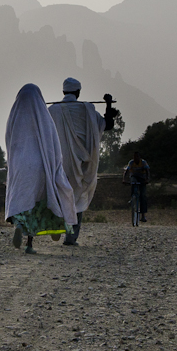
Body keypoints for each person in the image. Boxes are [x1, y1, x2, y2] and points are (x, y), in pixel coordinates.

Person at [4, 83, 78, 254]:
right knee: (41, 202)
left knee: (23, 200)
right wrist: (54, 166)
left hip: (21, 165)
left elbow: (9, 143)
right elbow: (54, 144)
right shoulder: (43, 116)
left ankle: (20, 226)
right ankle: (32, 242)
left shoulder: (14, 116)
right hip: (40, 165)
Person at [48, 77, 117, 245]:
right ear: (78, 92)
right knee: (77, 198)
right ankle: (70, 237)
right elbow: (107, 125)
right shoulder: (88, 109)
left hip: (59, 163)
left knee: (58, 195)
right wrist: (108, 105)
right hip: (82, 165)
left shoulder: (53, 110)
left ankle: (58, 226)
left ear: (63, 92)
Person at [123, 150, 150, 224]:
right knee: (133, 183)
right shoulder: (131, 162)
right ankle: (132, 198)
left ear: (139, 157)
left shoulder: (143, 162)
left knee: (143, 196)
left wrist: (147, 179)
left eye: (137, 157)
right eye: (134, 157)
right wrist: (124, 179)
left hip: (142, 177)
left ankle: (143, 215)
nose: (135, 158)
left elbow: (147, 171)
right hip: (134, 176)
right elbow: (126, 171)